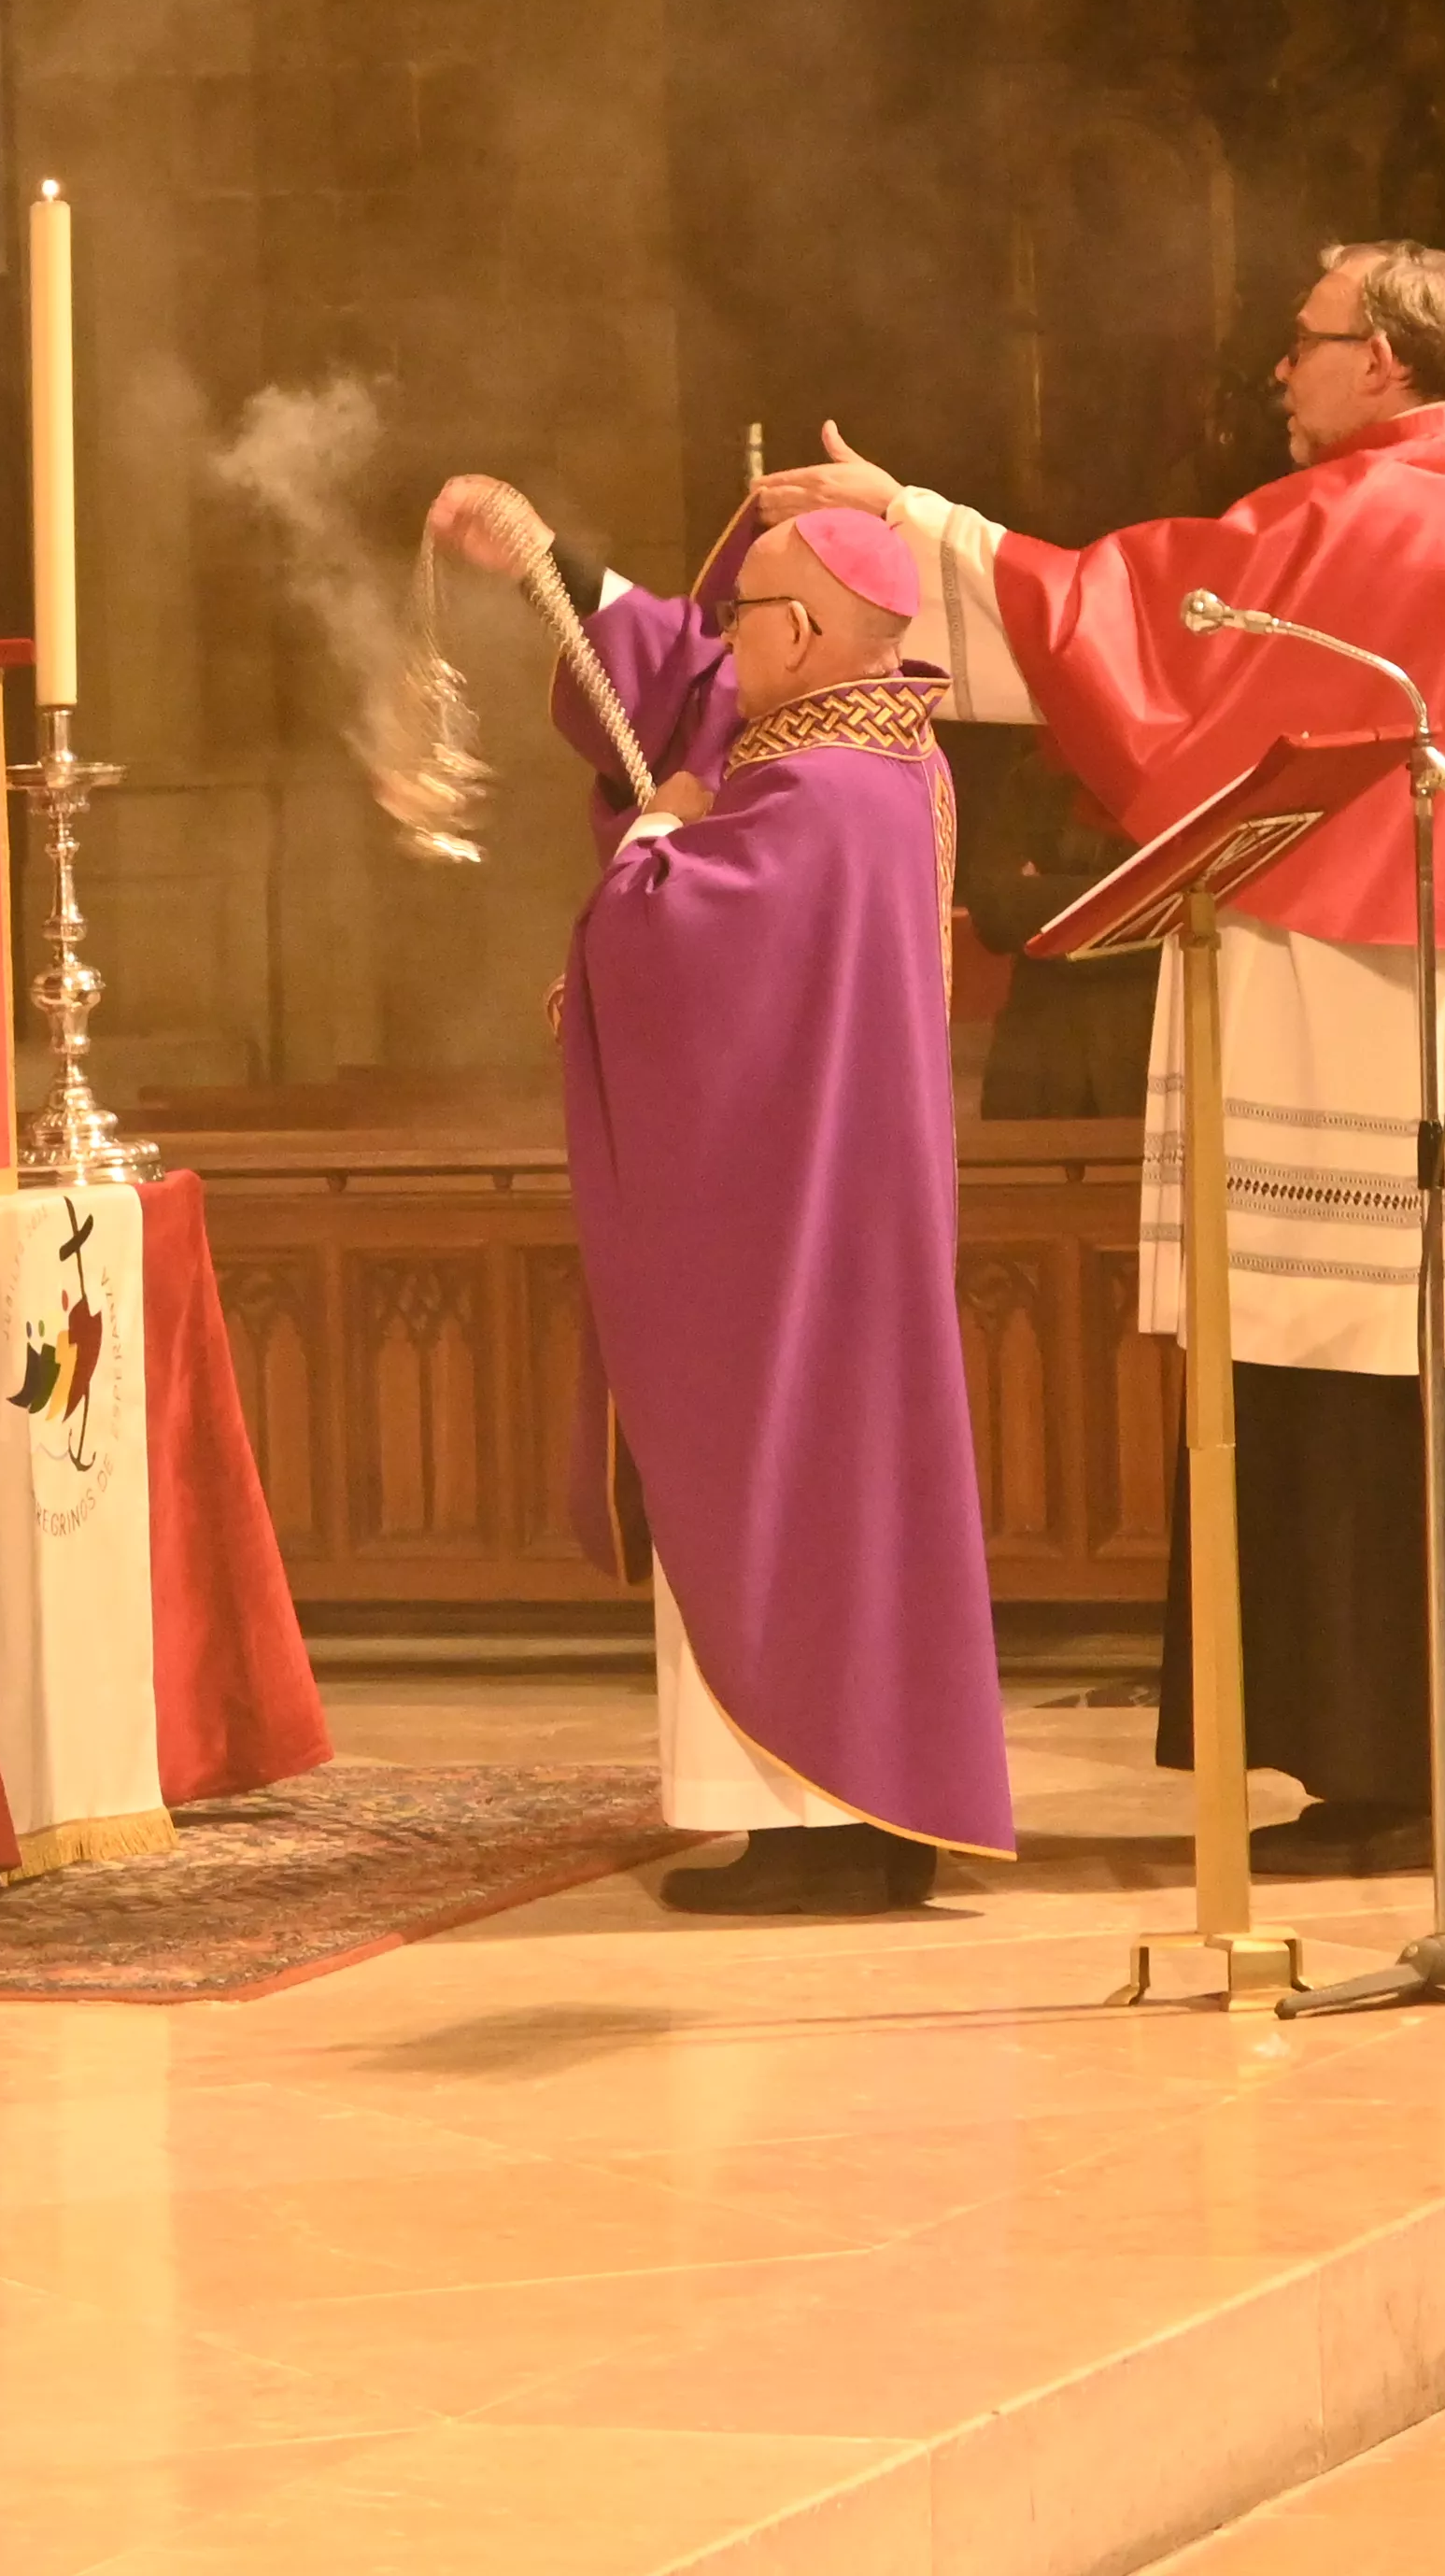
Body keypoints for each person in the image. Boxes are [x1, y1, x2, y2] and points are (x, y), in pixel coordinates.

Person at [753, 239, 1445, 1878]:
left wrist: (908, 529)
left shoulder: (1385, 514)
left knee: (1353, 1384)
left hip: (1365, 1008)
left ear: (1382, 357)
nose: (1279, 373)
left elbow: (1139, 633)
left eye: (1303, 344)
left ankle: (1393, 1774)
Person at [429, 474, 1019, 1904]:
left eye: (748, 613)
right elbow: (685, 691)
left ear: (809, 631)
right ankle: (871, 1820)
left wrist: (661, 831)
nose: (725, 638)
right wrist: (547, 559)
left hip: (783, 1238)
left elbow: (667, 940)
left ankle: (814, 1832)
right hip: (838, 1208)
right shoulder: (885, 755)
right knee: (852, 1496)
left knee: (779, 1484)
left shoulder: (809, 796)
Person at [956, 732, 1159, 1119]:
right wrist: (1131, 902)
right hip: (1035, 1064)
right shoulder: (1040, 775)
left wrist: (1043, 901)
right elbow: (993, 910)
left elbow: (1179, 905)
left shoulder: (1184, 783)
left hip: (1142, 1058)